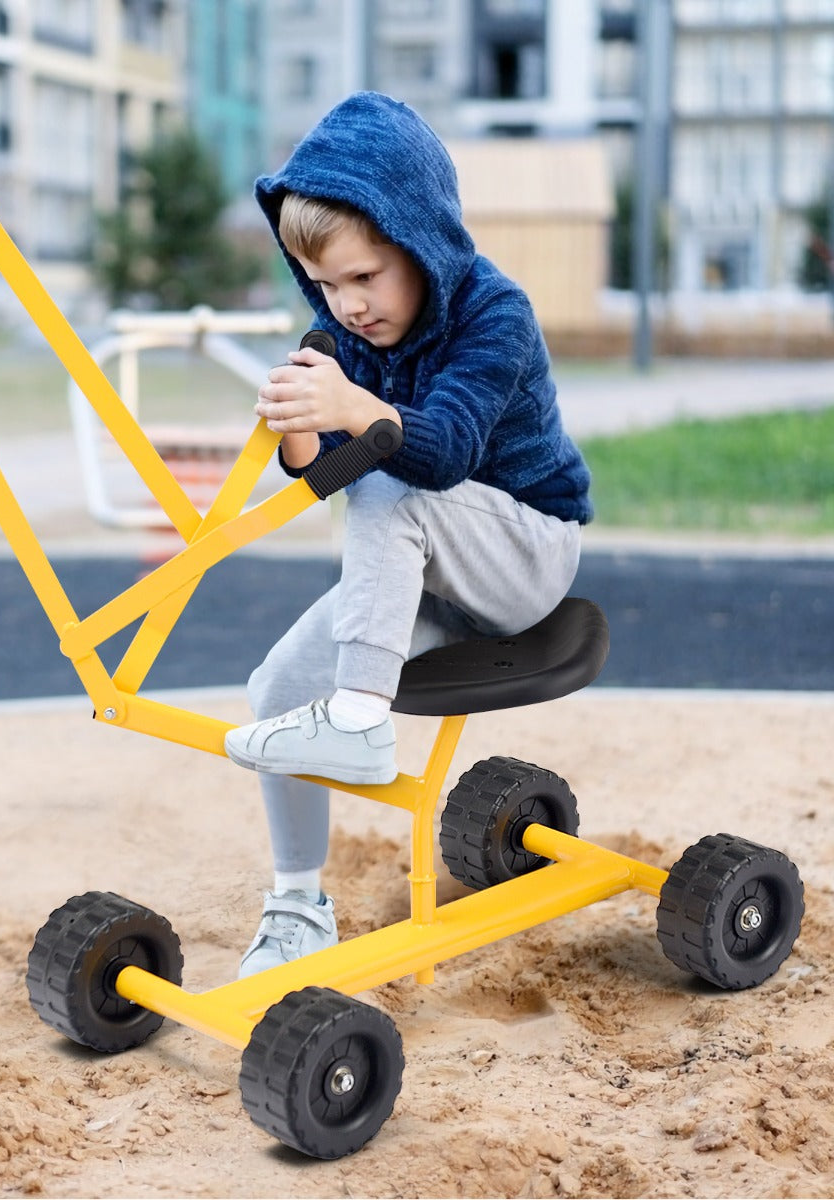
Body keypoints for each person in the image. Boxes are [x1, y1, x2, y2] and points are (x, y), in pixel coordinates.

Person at [224, 92, 593, 978]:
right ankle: (297, 902)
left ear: (423, 243)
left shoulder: (495, 315)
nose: (346, 305)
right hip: (430, 570)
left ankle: (357, 721)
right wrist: (305, 433)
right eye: (323, 285)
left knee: (397, 485)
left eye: (365, 277)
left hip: (525, 551)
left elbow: (443, 453)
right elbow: (333, 477)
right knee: (277, 686)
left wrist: (356, 409)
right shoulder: (352, 336)